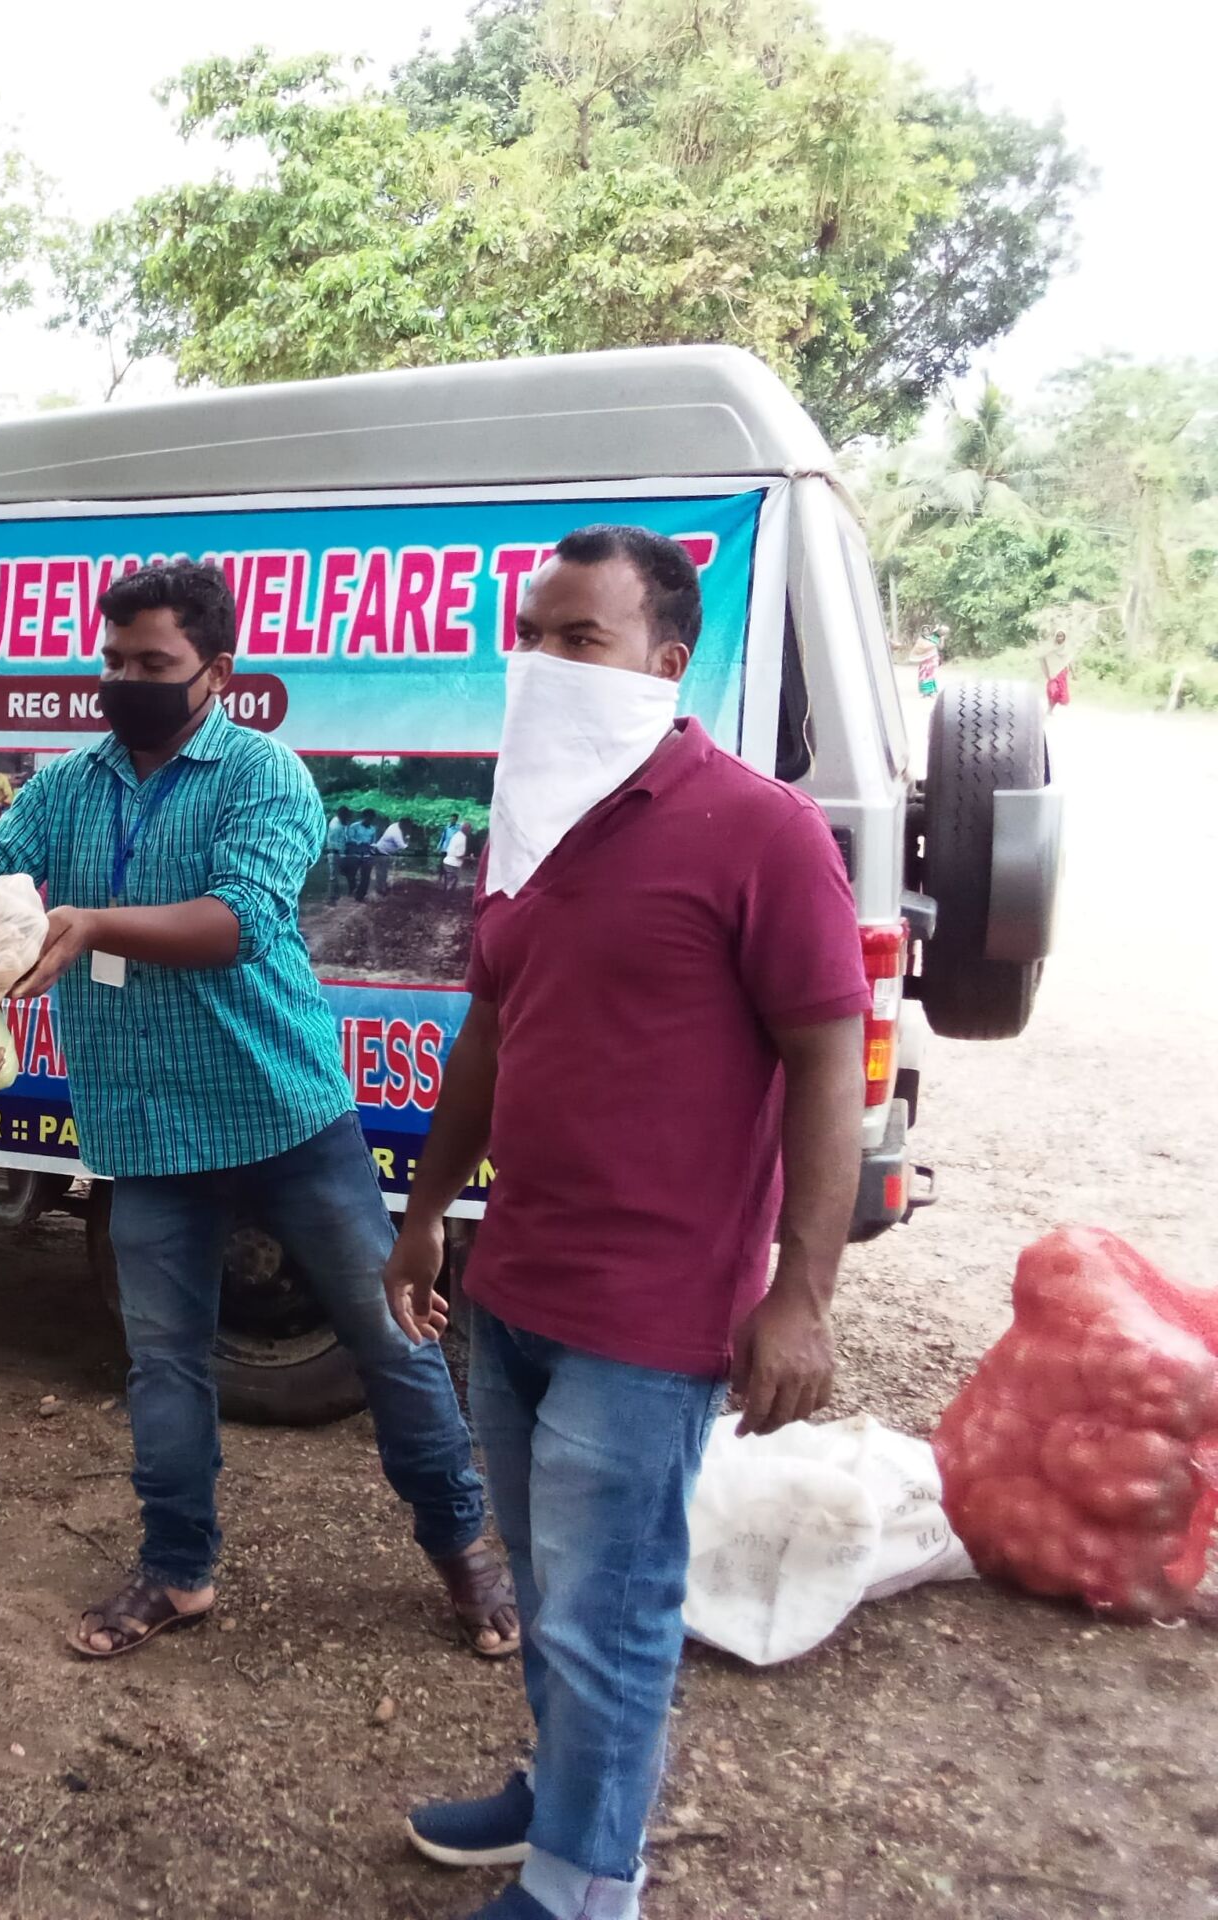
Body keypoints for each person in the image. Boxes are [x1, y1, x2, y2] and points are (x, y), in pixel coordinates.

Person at [383, 526, 869, 1920]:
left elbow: (827, 1062)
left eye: (577, 639)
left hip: (650, 1315)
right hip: (518, 1277)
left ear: (666, 665)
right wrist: (425, 1215)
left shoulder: (757, 828)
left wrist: (803, 1293)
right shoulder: (531, 814)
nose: (540, 662)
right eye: (529, 633)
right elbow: (489, 1028)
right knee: (551, 1589)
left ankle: (588, 1883)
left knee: (612, 1608)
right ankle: (561, 1791)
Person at [0, 560, 518, 1663]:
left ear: (216, 671)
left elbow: (237, 919)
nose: (125, 681)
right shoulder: (73, 779)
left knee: (388, 1339)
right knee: (165, 1360)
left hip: (280, 1109)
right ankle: (177, 1570)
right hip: (143, 1129)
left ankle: (463, 1551)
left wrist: (91, 926)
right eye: (113, 660)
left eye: (154, 664)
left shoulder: (264, 774)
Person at [375, 813, 412, 892]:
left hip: (383, 851)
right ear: (403, 824)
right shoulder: (396, 832)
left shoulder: (395, 825)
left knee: (383, 872)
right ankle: (381, 889)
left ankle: (382, 887)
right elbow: (402, 846)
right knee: (381, 872)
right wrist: (408, 841)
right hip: (382, 852)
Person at [441, 816, 472, 891]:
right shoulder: (462, 838)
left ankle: (445, 898)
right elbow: (459, 855)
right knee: (450, 885)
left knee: (447, 884)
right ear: (466, 829)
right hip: (453, 864)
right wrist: (469, 858)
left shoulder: (456, 835)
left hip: (447, 862)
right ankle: (448, 900)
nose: (470, 831)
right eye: (469, 829)